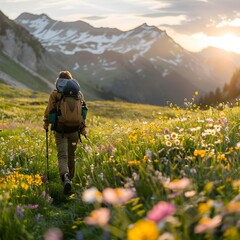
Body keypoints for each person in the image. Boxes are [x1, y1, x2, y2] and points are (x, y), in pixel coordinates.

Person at [43, 71, 86, 195]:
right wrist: (83, 128)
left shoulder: (55, 93)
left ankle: (65, 178)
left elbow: (49, 110)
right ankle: (71, 179)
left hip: (60, 130)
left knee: (62, 156)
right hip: (75, 130)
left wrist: (46, 123)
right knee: (72, 155)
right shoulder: (78, 93)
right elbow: (83, 112)